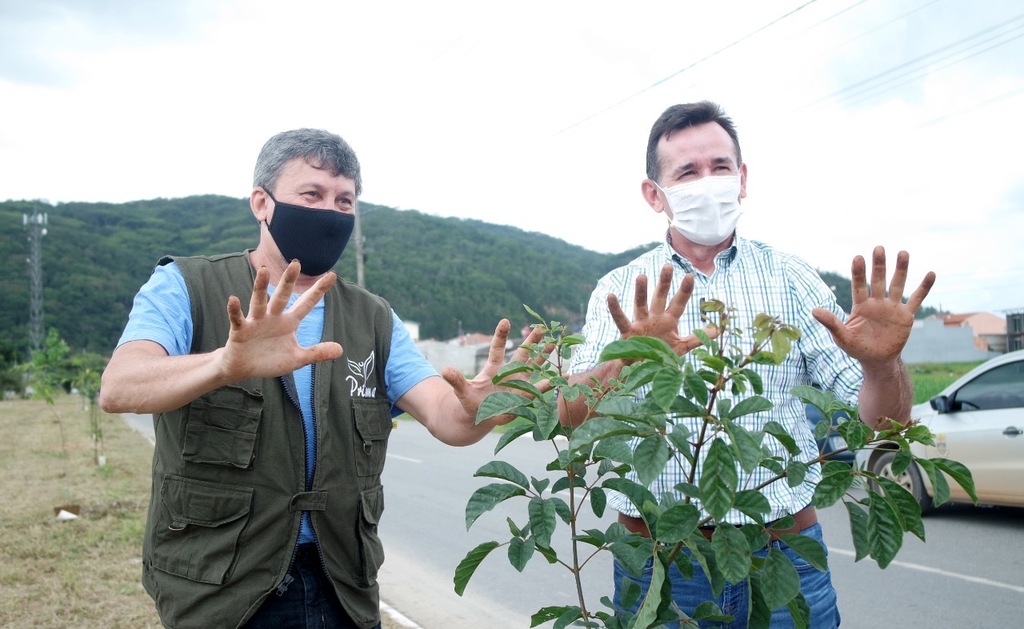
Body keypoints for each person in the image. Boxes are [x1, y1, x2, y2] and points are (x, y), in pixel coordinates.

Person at [99, 128, 540, 629]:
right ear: (261, 203)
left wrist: (482, 404)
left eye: (344, 200)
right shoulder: (185, 285)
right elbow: (120, 387)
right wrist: (224, 363)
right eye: (311, 194)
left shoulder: (372, 318)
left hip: (343, 585)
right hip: (223, 592)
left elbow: (448, 418)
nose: (330, 212)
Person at [562, 101, 935, 627]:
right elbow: (571, 414)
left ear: (742, 179)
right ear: (655, 194)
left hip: (782, 553)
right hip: (665, 563)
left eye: (720, 167)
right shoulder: (621, 290)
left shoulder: (793, 279)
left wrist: (883, 366)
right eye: (687, 172)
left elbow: (882, 425)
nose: (708, 182)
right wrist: (625, 361)